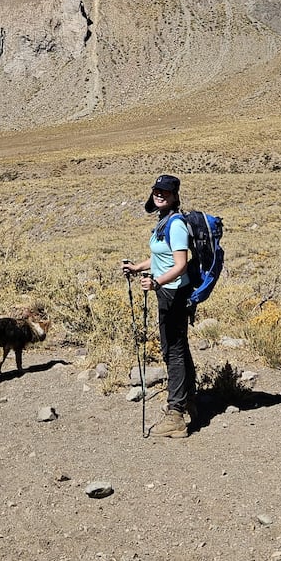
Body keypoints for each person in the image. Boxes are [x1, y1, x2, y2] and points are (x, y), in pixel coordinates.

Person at [122, 173, 197, 439]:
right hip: (168, 291)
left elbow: (180, 265)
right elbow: (160, 258)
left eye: (165, 191)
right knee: (178, 347)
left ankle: (176, 416)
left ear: (175, 195)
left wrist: (155, 282)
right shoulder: (163, 221)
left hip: (174, 294)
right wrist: (137, 268)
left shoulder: (175, 224)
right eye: (157, 190)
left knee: (173, 351)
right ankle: (190, 399)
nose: (159, 194)